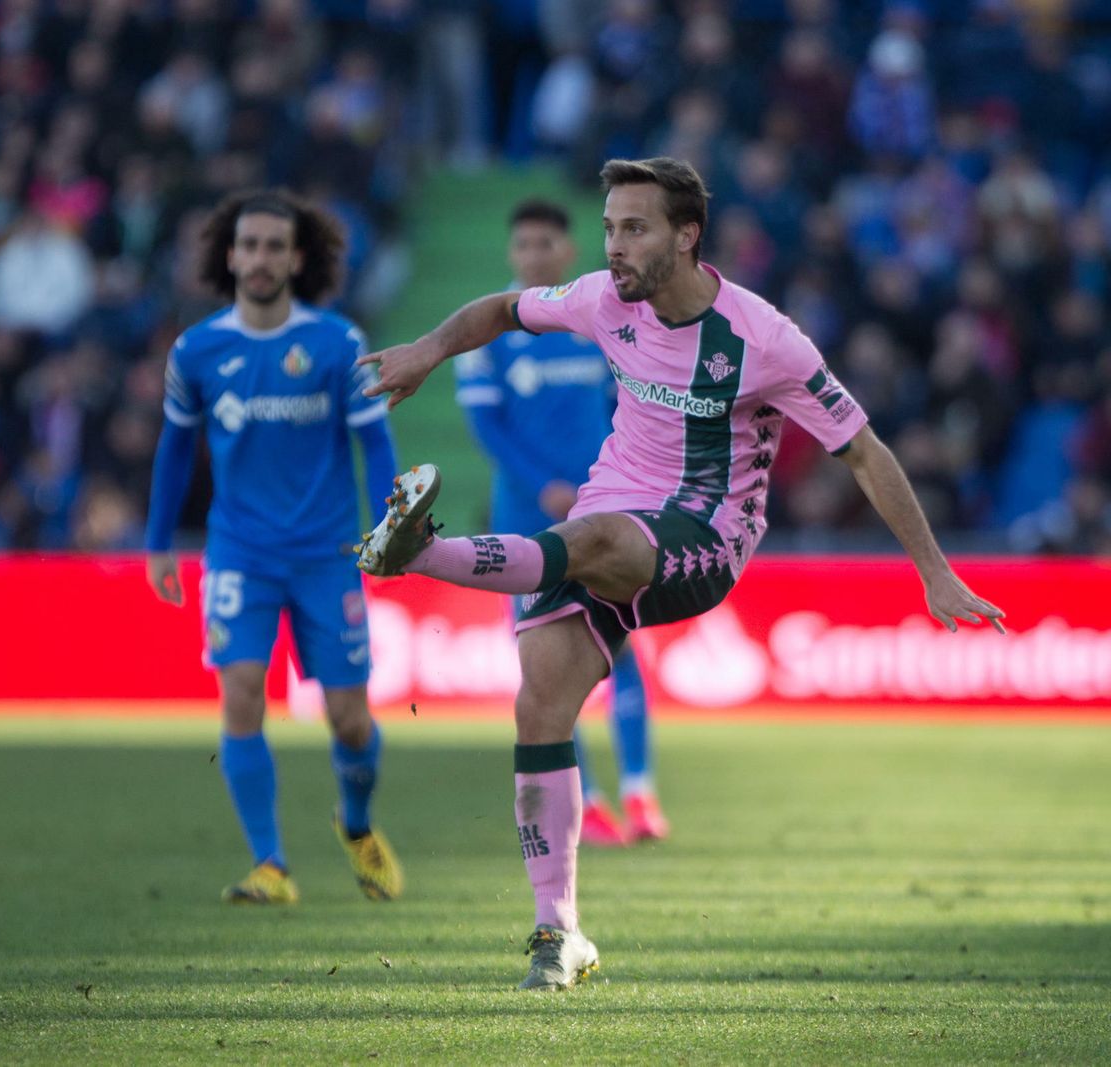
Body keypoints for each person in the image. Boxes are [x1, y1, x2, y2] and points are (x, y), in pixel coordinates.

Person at [355, 157, 1005, 990]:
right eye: (609, 228)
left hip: (706, 535)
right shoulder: (599, 299)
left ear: (686, 236)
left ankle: (422, 553)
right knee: (540, 702)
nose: (614, 246)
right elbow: (500, 310)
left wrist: (933, 570)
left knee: (590, 540)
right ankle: (560, 933)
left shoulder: (765, 339)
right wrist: (427, 350)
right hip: (605, 511)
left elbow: (866, 454)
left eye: (635, 229)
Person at [146, 189, 404, 906]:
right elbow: (175, 448)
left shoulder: (337, 343)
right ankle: (271, 863)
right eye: (248, 244)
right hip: (240, 554)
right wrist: (158, 540)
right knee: (240, 695)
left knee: (350, 717)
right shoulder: (197, 350)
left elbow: (373, 440)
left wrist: (390, 523)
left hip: (326, 555)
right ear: (229, 256)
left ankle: (355, 825)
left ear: (297, 257)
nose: (260, 257)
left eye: (273, 246)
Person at [456, 197, 666, 848]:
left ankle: (640, 791)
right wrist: (543, 483)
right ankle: (594, 802)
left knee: (621, 650)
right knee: (548, 667)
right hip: (527, 520)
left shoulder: (602, 319)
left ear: (569, 252)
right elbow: (487, 426)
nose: (535, 254)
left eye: (547, 243)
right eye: (524, 245)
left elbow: (626, 403)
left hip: (605, 510)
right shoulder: (489, 329)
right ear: (511, 254)